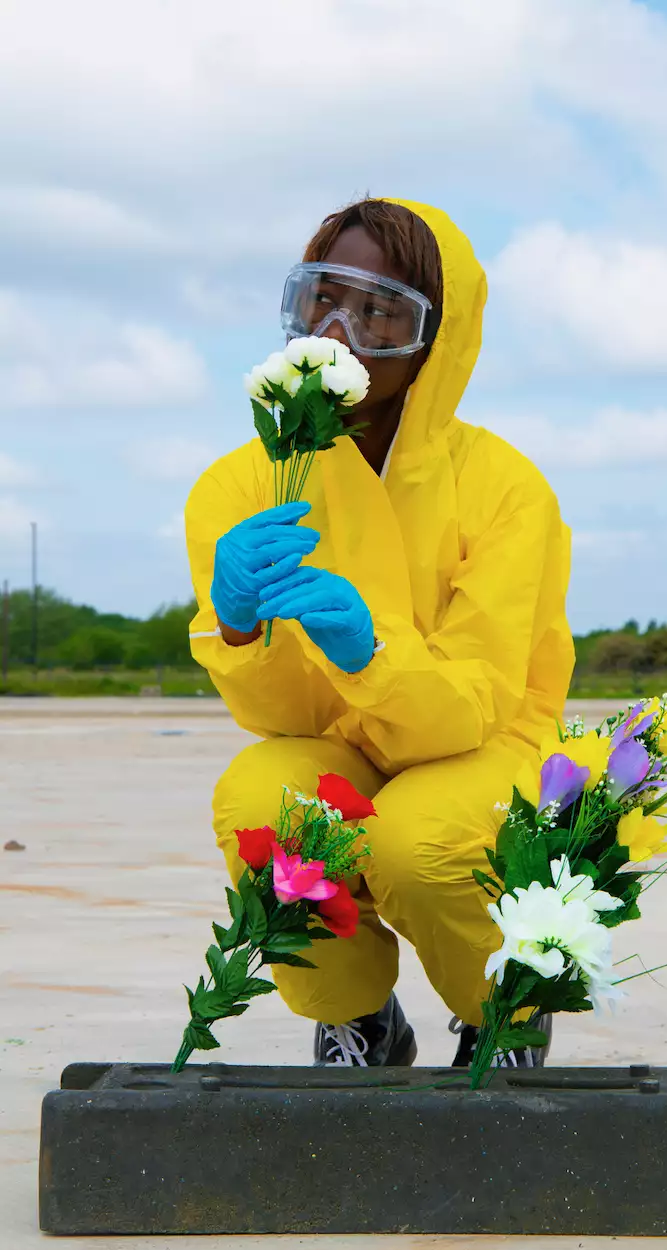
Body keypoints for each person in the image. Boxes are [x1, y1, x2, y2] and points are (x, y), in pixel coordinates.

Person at [185, 198, 575, 1068]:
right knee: (261, 803)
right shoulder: (244, 484)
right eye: (321, 300)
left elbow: (474, 704)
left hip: (484, 741)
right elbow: (278, 722)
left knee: (414, 840)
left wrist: (374, 655)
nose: (339, 331)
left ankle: (504, 1005)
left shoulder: (506, 488)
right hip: (342, 740)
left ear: (437, 340)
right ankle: (357, 1014)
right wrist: (242, 633)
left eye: (378, 309)